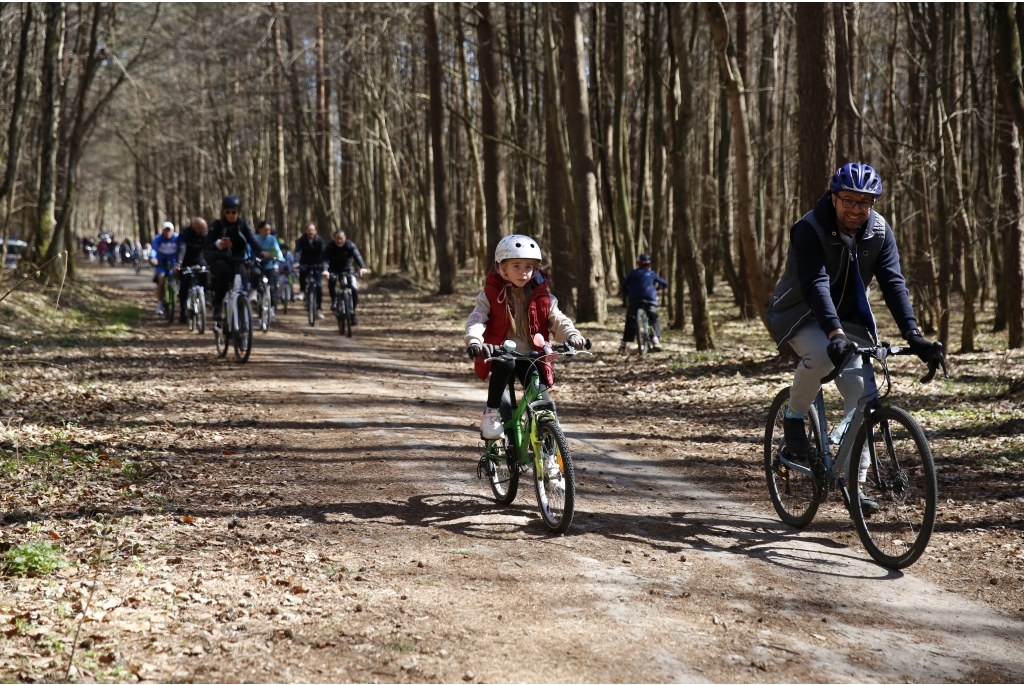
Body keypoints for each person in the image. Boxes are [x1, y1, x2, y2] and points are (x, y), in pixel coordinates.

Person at [766, 163, 938, 514]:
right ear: (833, 197)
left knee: (864, 399)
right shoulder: (808, 229)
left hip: (848, 319)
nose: (857, 209)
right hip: (801, 313)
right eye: (849, 200)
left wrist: (914, 334)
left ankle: (852, 487)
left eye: (866, 202)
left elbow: (893, 283)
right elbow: (815, 285)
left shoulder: (878, 231)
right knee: (824, 355)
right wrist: (834, 333)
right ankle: (795, 417)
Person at [464, 235, 587, 478]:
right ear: (502, 268)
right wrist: (476, 342)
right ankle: (491, 412)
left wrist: (572, 336)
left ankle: (550, 456)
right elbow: (476, 319)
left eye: (529, 267)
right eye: (516, 266)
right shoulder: (490, 293)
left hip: (531, 355)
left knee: (543, 403)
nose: (523, 272)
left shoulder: (543, 296)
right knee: (506, 361)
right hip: (501, 354)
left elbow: (558, 320)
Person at [202, 196, 265, 322]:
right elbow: (206, 245)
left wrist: (262, 252)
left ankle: (242, 309)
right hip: (219, 259)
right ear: (224, 212)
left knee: (243, 279)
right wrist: (219, 244)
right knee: (225, 273)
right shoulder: (217, 225)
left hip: (238, 260)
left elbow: (253, 241)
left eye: (234, 212)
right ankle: (218, 306)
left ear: (239, 212)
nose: (231, 215)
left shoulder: (244, 225)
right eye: (228, 212)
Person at [619, 253, 668, 353]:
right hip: (650, 300)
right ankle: (655, 340)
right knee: (653, 319)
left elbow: (624, 285)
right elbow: (665, 283)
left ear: (638, 263)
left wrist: (628, 293)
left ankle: (623, 344)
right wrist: (658, 288)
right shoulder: (652, 274)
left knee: (630, 320)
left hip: (634, 300)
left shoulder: (633, 273)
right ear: (649, 264)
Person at [324, 230, 370, 325]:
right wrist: (325, 270)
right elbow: (325, 259)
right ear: (334, 238)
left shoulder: (350, 245)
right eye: (337, 238)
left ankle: (352, 313)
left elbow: (357, 256)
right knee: (332, 282)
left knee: (353, 288)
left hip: (347, 269)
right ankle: (334, 301)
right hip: (334, 269)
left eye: (341, 238)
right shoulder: (330, 246)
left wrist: (362, 267)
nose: (339, 241)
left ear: (345, 237)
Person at [174, 217, 210, 324]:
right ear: (195, 227)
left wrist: (212, 262)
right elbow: (181, 247)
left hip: (199, 260)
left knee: (206, 274)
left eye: (205, 228)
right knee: (184, 284)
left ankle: (206, 297)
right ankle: (183, 310)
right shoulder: (185, 233)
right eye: (201, 229)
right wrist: (179, 263)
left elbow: (210, 247)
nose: (204, 231)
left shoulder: (206, 234)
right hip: (185, 261)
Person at [252, 221, 285, 322]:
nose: (268, 232)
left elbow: (277, 249)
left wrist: (280, 257)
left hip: (268, 265)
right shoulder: (255, 238)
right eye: (266, 230)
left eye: (269, 230)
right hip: (257, 263)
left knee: (272, 287)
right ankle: (254, 294)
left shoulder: (272, 238)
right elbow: (250, 249)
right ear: (260, 230)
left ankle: (271, 310)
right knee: (256, 276)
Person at [294, 223, 328, 319]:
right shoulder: (302, 240)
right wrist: (296, 262)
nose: (310, 232)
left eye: (312, 230)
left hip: (317, 264)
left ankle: (319, 309)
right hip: (304, 263)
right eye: (309, 230)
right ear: (306, 231)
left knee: (318, 286)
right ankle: (302, 291)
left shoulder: (320, 240)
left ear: (315, 231)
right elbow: (298, 251)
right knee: (303, 273)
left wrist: (325, 265)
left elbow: (324, 253)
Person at [150, 222, 178, 316]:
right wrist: (153, 258)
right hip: (162, 263)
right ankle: (160, 303)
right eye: (165, 230)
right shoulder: (158, 239)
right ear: (163, 231)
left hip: (174, 263)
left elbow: (182, 248)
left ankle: (178, 289)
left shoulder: (177, 238)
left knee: (177, 273)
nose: (167, 232)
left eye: (169, 230)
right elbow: (153, 249)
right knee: (161, 280)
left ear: (173, 230)